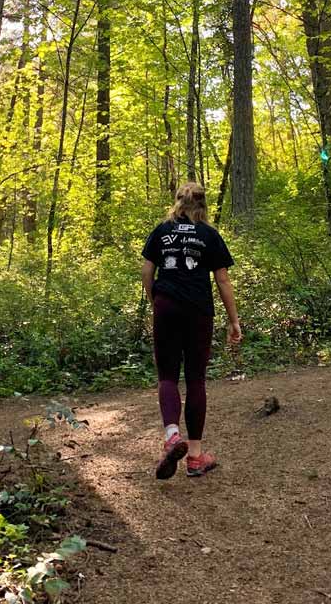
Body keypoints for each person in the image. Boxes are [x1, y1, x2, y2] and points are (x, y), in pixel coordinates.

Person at [141, 181, 242, 479]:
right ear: (203, 205)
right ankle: (196, 458)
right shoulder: (209, 234)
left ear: (177, 203)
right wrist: (234, 320)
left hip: (166, 305)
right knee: (196, 378)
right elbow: (223, 280)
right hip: (198, 309)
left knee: (168, 375)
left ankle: (172, 435)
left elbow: (147, 270)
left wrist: (156, 300)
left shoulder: (162, 231)